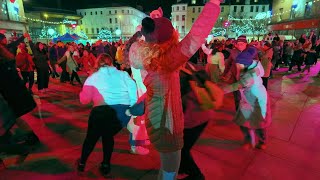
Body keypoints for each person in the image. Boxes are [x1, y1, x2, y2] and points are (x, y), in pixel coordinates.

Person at [128, 1, 221, 179]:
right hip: (167, 125)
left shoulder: (146, 55)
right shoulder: (167, 61)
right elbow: (195, 36)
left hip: (157, 120)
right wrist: (213, 4)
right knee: (170, 171)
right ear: (171, 38)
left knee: (167, 167)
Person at [77, 54, 137, 177]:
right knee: (108, 135)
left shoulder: (93, 78)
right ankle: (105, 164)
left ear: (97, 63)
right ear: (111, 63)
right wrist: (130, 108)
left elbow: (84, 100)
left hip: (101, 112)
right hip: (121, 113)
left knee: (91, 138)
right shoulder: (123, 75)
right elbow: (133, 92)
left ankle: (82, 163)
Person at [224, 47, 271, 150]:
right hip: (256, 97)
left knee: (250, 122)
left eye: (238, 64)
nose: (237, 66)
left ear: (244, 64)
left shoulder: (249, 75)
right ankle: (255, 141)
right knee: (253, 121)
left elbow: (238, 85)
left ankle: (253, 141)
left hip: (253, 99)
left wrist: (221, 90)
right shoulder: (253, 65)